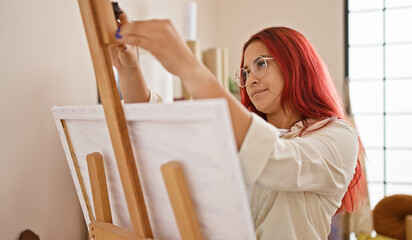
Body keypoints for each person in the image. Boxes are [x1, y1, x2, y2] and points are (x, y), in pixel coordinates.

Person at [111, 12, 366, 240]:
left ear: (296, 65)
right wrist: (129, 69)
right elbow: (163, 129)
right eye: (245, 72)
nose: (251, 79)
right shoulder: (235, 132)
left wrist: (188, 66)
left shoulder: (339, 136)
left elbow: (275, 162)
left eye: (261, 64)